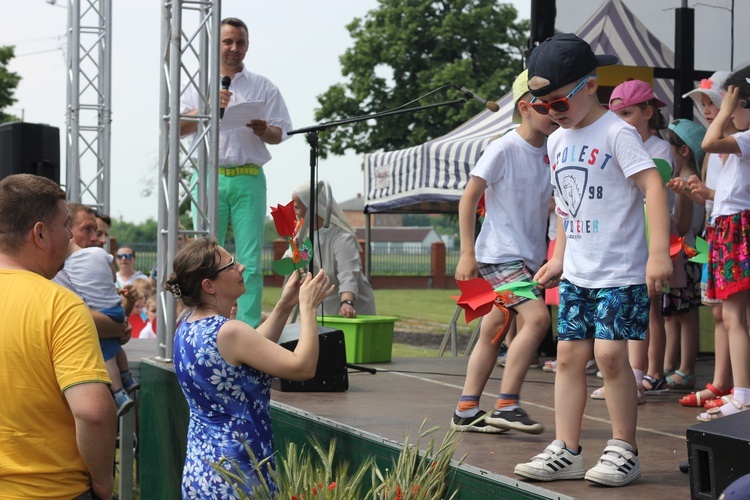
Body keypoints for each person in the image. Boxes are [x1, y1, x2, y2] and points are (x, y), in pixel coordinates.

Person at [513, 33, 671, 487]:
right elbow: (566, 205)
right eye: (542, 106)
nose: (552, 113)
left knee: (611, 356)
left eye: (558, 103)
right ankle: (567, 449)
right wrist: (559, 255)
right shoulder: (559, 142)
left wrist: (658, 254)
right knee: (567, 358)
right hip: (579, 272)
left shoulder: (617, 132)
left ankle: (625, 448)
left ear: (590, 85)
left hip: (620, 270)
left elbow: (653, 188)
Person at [167, 237, 334, 494]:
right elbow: (303, 367)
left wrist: (284, 305)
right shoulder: (229, 331)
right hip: (238, 475)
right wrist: (308, 307)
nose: (241, 267)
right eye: (231, 265)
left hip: (204, 470)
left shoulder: (188, 324)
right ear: (209, 285)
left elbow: (252, 349)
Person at [450, 69, 558, 435]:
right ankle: (508, 404)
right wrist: (467, 252)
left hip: (526, 260)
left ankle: (466, 409)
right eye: (549, 105)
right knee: (538, 319)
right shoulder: (503, 147)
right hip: (500, 258)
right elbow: (469, 198)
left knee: (494, 327)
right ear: (525, 107)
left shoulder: (554, 151)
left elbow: (557, 206)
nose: (557, 112)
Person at [0, 174, 116, 498]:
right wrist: (104, 485)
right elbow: (93, 412)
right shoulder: (60, 304)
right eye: (66, 225)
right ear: (39, 233)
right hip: (51, 490)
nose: (70, 237)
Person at [180, 16, 292, 328]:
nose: (234, 48)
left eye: (240, 42)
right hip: (207, 175)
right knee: (202, 257)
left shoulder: (262, 86)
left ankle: (249, 330)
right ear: (217, 45)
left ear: (247, 46)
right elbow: (175, 127)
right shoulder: (198, 83)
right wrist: (207, 106)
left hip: (248, 177)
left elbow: (281, 133)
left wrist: (263, 129)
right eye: (228, 42)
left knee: (250, 262)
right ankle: (201, 324)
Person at [591, 78, 675, 400]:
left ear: (648, 111)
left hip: (650, 238)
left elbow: (653, 194)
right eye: (615, 113)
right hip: (623, 239)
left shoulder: (659, 148)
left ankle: (643, 375)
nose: (620, 121)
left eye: (626, 113)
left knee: (650, 309)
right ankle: (627, 377)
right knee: (623, 310)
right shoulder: (614, 143)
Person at [673, 71, 735, 409]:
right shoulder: (712, 154)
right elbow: (715, 203)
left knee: (735, 314)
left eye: (711, 102)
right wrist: (697, 193)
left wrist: (708, 193)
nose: (706, 109)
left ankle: (735, 385)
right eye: (703, 103)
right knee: (720, 313)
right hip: (717, 235)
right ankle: (723, 382)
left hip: (736, 236)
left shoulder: (737, 144)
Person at [694, 66, 750, 421]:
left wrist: (727, 110)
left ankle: (742, 395)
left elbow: (708, 142)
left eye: (732, 102)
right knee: (733, 317)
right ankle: (741, 392)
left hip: (736, 231)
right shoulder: (741, 143)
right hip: (727, 226)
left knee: (735, 317)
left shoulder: (746, 139)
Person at [61, 237, 139, 416]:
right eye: (88, 230)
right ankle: (126, 377)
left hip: (104, 314)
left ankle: (119, 393)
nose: (99, 238)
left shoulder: (67, 267)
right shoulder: (98, 255)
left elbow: (102, 325)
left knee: (107, 356)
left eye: (98, 231)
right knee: (115, 348)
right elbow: (112, 277)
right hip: (115, 308)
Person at [663, 119, 706, 395]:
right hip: (687, 253)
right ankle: (670, 365)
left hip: (686, 255)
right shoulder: (693, 182)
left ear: (683, 151)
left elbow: (682, 225)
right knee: (673, 313)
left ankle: (687, 369)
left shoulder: (688, 185)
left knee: (685, 314)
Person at [290, 181, 376, 318]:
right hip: (322, 308)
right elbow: (292, 265)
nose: (294, 212)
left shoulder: (342, 238)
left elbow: (348, 273)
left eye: (296, 208)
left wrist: (347, 301)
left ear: (313, 208)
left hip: (352, 309)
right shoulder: (303, 236)